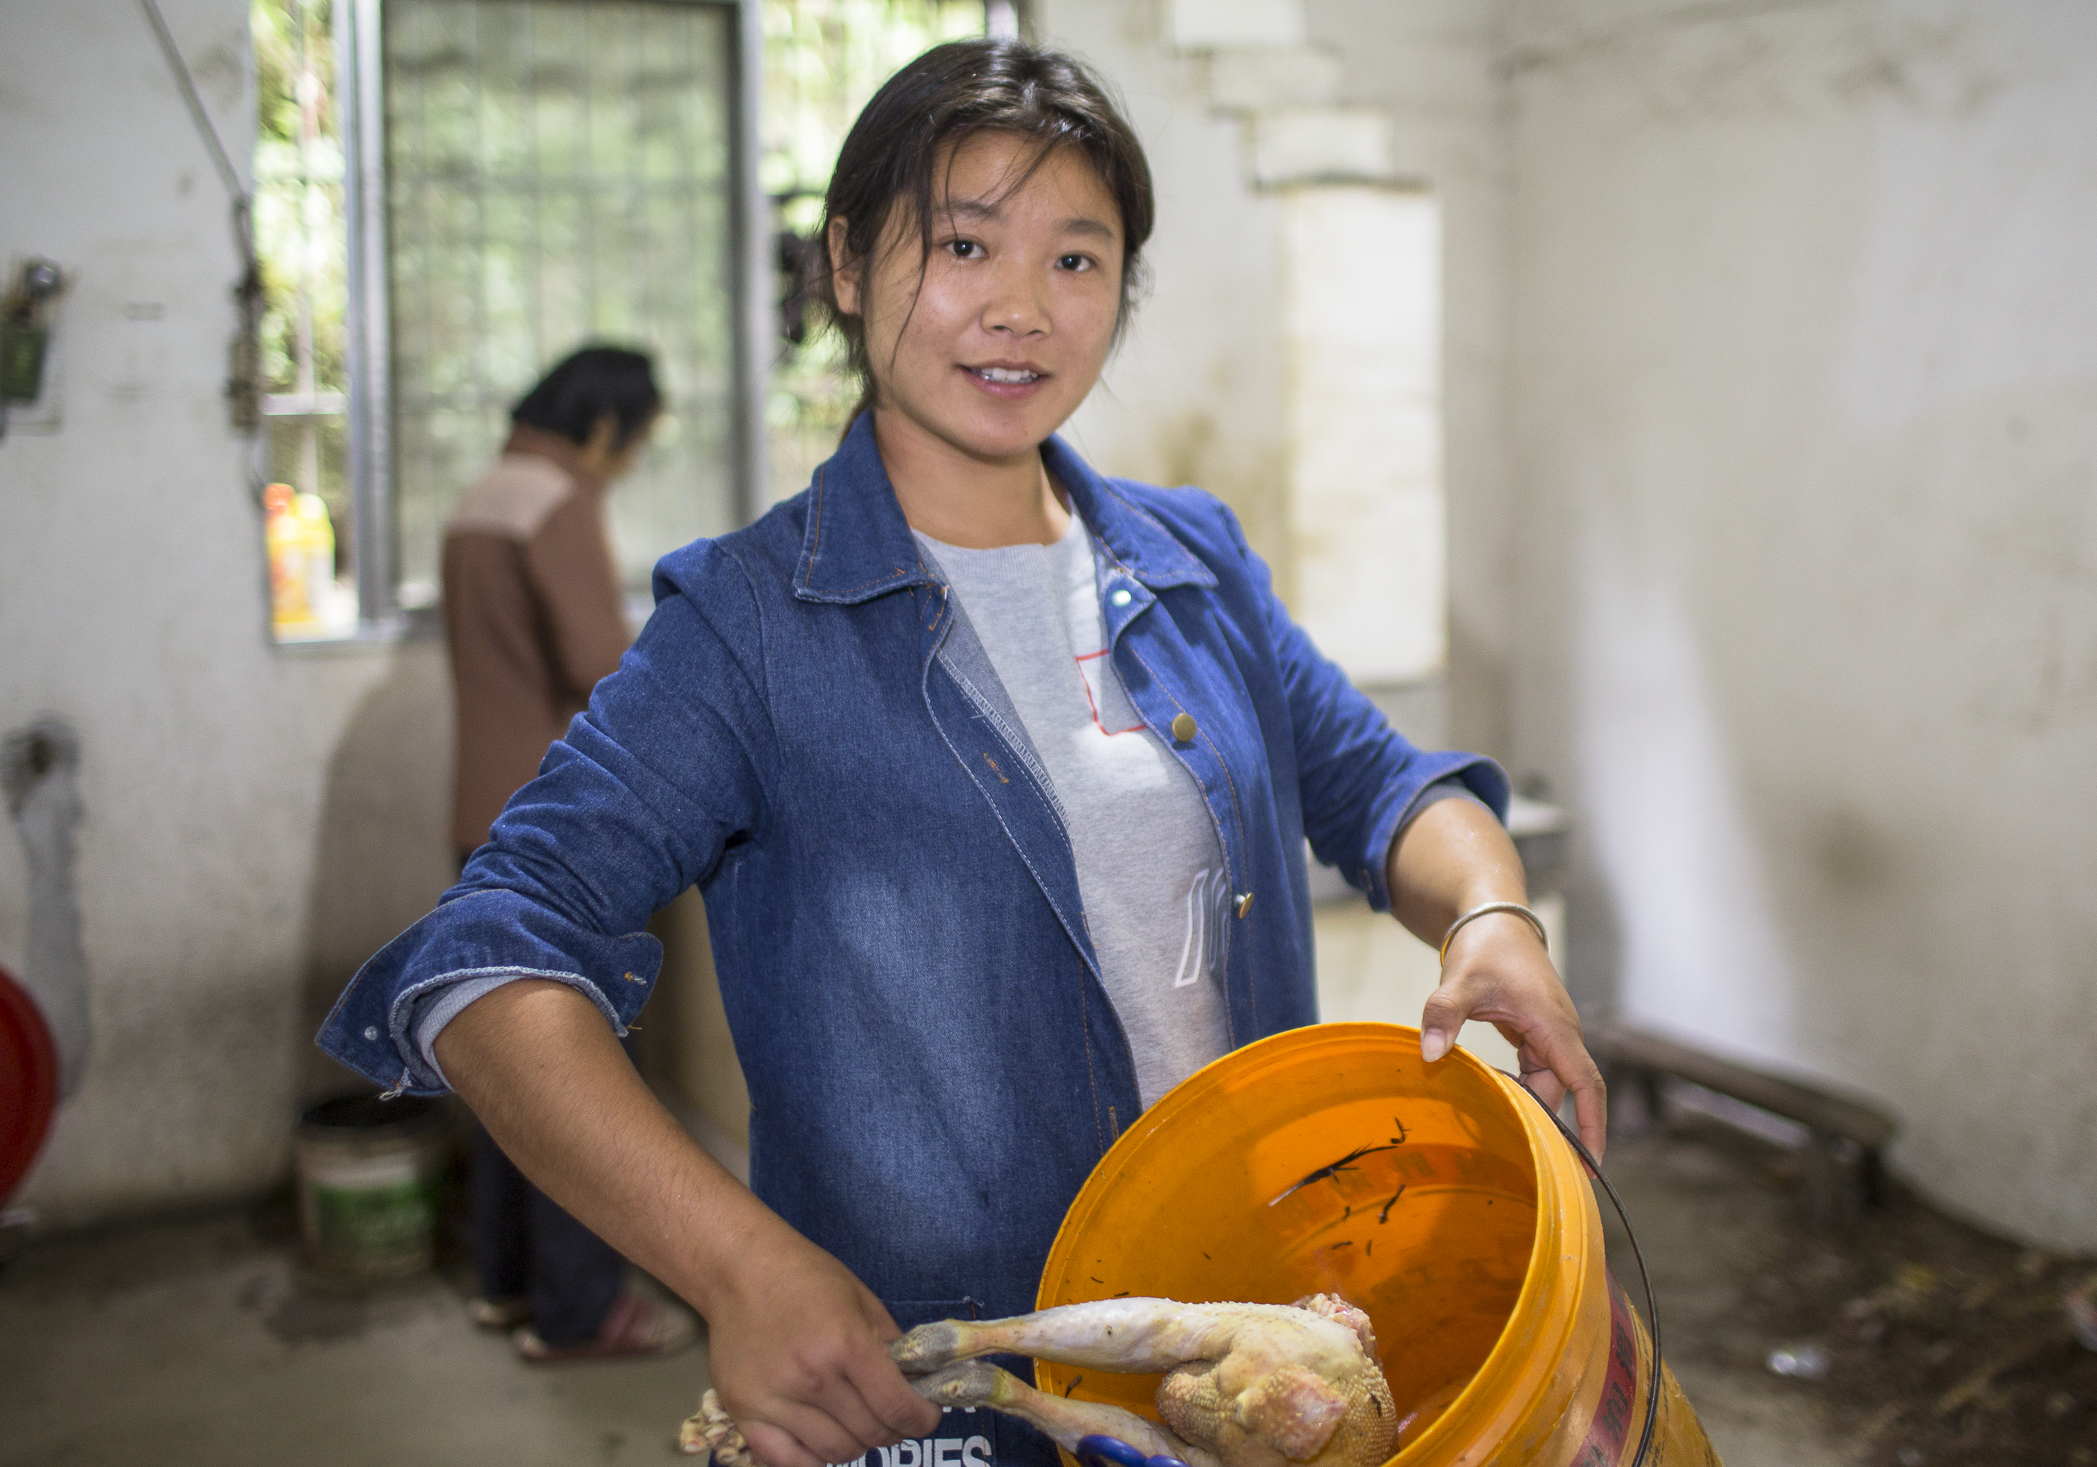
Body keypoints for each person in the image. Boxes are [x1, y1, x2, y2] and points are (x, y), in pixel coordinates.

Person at [322, 36, 1602, 1467]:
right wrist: (738, 1261)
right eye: (965, 243)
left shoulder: (1192, 558)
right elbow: (489, 955)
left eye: (1077, 259)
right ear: (851, 266)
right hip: (949, 1386)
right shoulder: (749, 625)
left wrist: (1491, 911)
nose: (1020, 309)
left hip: (1244, 1347)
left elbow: (1380, 784)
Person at [435, 344, 694, 1362]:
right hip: (563, 829)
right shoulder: (557, 501)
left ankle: (507, 1283)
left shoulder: (482, 497)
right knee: (582, 1081)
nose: (624, 464)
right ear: (601, 429)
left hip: (480, 819)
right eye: (632, 443)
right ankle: (581, 1310)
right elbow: (598, 662)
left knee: (507, 1058)